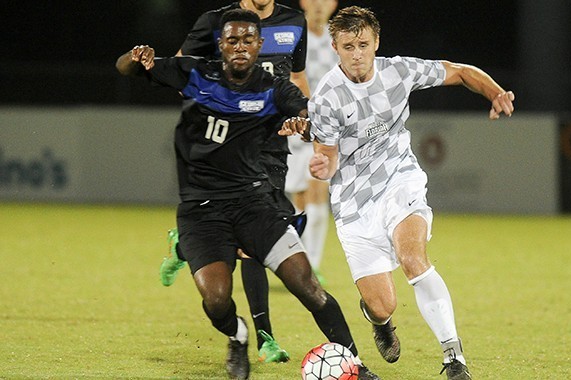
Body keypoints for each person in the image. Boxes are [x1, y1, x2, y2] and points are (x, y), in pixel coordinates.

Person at [116, 9, 380, 380]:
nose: (240, 47)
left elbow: (309, 115)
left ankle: (356, 365)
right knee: (217, 299)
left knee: (308, 286)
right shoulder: (195, 73)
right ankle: (238, 336)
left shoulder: (273, 89)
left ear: (259, 44)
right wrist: (134, 58)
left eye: (247, 40)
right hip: (201, 210)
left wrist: (305, 126)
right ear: (220, 45)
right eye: (232, 40)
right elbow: (127, 69)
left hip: (254, 205)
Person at [303, 6, 515, 380]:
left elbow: (461, 72)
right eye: (348, 46)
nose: (357, 54)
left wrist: (495, 92)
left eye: (363, 44)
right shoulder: (326, 98)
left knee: (413, 258)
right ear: (335, 47)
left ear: (376, 42)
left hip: (400, 180)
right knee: (383, 304)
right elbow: (329, 157)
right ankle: (380, 322)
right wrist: (323, 166)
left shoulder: (399, 71)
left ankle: (454, 359)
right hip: (354, 203)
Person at [159, 0, 310, 363]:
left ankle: (186, 249)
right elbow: (181, 70)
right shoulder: (215, 21)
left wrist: (307, 118)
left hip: (272, 144)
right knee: (260, 234)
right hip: (228, 146)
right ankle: (265, 338)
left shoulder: (295, 21)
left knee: (263, 233)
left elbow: (297, 78)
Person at [284, 0, 338, 285]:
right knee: (299, 199)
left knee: (319, 191)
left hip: (326, 127)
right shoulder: (292, 32)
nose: (319, 5)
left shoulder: (339, 38)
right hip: (294, 125)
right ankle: (298, 260)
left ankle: (312, 265)